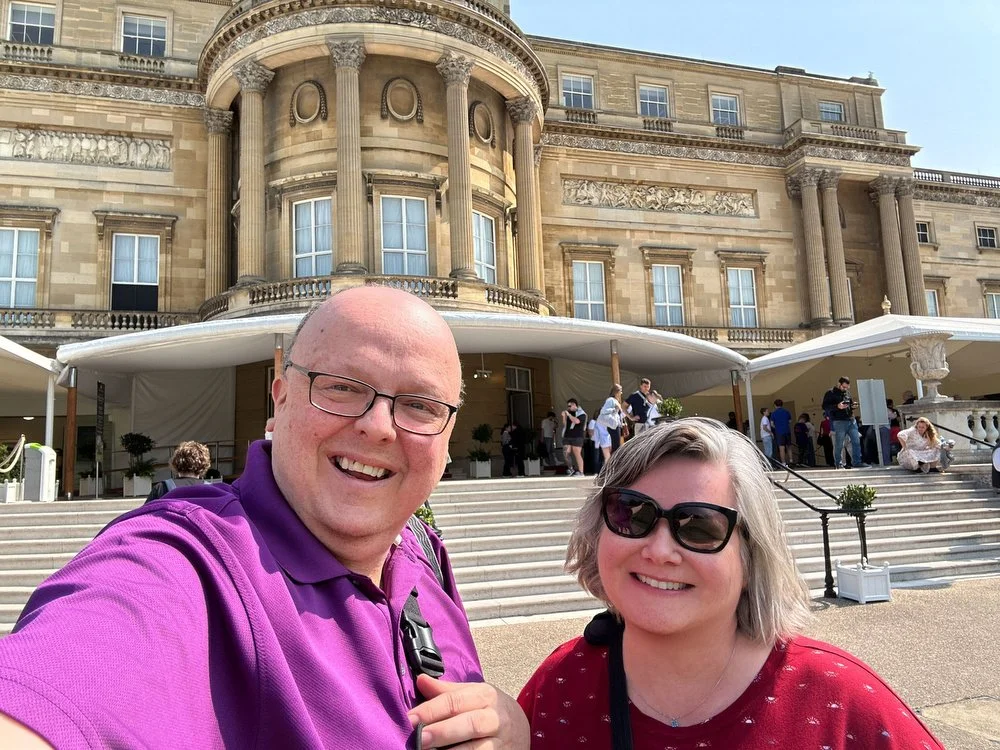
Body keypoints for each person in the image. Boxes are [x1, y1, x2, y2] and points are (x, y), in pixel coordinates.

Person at [0, 287, 527, 749]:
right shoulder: (188, 561)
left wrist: (508, 720)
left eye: (421, 405)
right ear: (278, 400)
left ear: (447, 435)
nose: (379, 427)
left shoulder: (423, 552)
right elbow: (64, 685)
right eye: (341, 385)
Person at [517, 418, 944, 749]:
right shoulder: (559, 684)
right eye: (633, 513)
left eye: (700, 526)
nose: (659, 550)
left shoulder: (844, 701)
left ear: (751, 554)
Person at [822, 377, 869, 469]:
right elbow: (825, 406)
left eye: (847, 387)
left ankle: (857, 462)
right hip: (839, 421)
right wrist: (837, 406)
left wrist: (853, 406)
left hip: (851, 420)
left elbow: (849, 404)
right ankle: (838, 463)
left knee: (856, 441)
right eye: (844, 387)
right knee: (839, 444)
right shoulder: (830, 393)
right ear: (839, 384)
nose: (845, 389)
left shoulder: (847, 393)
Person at [145, 440, 212, 502]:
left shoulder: (162, 487)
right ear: (204, 464)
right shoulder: (211, 489)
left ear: (175, 462)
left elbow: (145, 513)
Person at [596, 384, 628, 453]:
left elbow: (618, 415)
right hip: (613, 426)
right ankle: (614, 462)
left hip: (616, 425)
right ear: (617, 391)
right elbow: (603, 411)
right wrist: (614, 409)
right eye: (621, 391)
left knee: (616, 446)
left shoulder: (615, 401)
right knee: (616, 446)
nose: (621, 393)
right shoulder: (610, 400)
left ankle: (614, 462)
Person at [562, 398, 587, 477]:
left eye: (570, 406)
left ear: (574, 405)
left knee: (577, 453)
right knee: (566, 452)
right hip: (567, 435)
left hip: (577, 436)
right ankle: (571, 468)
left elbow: (576, 421)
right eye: (567, 406)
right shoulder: (569, 413)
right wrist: (564, 416)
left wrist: (569, 415)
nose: (568, 408)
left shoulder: (581, 413)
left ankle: (581, 472)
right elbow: (565, 424)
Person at [769, 399, 793, 464]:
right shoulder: (786, 412)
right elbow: (790, 421)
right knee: (789, 446)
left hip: (779, 432)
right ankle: (791, 460)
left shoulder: (774, 413)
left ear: (775, 405)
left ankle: (784, 463)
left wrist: (777, 427)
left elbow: (772, 424)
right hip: (787, 431)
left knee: (781, 448)